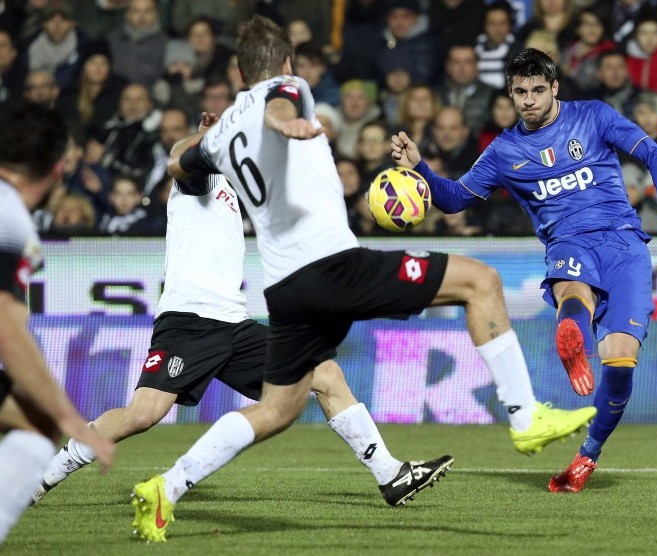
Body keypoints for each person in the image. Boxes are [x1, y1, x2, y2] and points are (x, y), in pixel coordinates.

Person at [132, 18, 596, 542]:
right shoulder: (287, 92)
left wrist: (208, 136)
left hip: (284, 290)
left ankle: (167, 486)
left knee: (277, 409)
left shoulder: (219, 134)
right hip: (332, 266)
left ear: (240, 71)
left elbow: (179, 161)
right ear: (287, 64)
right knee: (480, 281)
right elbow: (279, 106)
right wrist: (286, 124)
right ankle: (525, 415)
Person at [33, 115, 448, 509]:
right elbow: (178, 160)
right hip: (189, 321)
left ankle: (390, 474)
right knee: (143, 414)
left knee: (325, 374)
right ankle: (44, 475)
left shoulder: (237, 190)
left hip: (235, 324)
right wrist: (202, 139)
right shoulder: (200, 178)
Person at [391, 48, 657, 493]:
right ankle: (573, 334)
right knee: (574, 291)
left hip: (624, 242)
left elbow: (656, 156)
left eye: (536, 90)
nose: (528, 100)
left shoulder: (593, 116)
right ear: (511, 94)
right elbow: (454, 200)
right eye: (519, 92)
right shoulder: (505, 150)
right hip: (567, 241)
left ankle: (587, 456)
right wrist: (420, 168)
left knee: (622, 363)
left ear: (553, 88)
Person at [0, 104, 115, 543]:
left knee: (31, 420)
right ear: (58, 168)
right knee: (40, 423)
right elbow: (7, 329)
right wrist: (69, 416)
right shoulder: (9, 216)